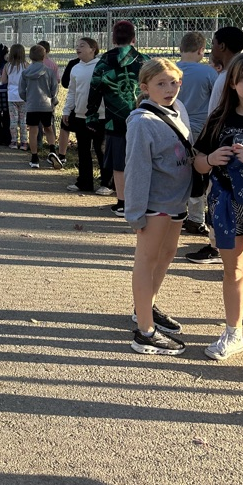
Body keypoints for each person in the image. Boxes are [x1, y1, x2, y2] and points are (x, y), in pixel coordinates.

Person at [126, 58, 193, 355]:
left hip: (177, 200)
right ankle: (144, 331)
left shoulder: (178, 110)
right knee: (147, 259)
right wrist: (136, 212)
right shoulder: (142, 121)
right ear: (145, 87)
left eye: (174, 82)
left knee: (167, 253)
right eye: (161, 84)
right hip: (155, 204)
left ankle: (146, 307)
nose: (169, 89)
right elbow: (137, 169)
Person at [193, 50, 243, 377]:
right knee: (234, 270)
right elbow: (198, 163)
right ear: (231, 82)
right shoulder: (219, 119)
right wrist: (211, 158)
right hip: (226, 204)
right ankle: (233, 333)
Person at [186, 26, 243, 265]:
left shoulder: (227, 76)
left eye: (213, 43)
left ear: (221, 46)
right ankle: (217, 245)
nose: (211, 49)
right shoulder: (226, 75)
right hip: (220, 162)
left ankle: (215, 247)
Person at [86, 20, 149, 218]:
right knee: (142, 159)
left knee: (118, 160)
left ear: (113, 39)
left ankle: (122, 203)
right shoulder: (144, 61)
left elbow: (95, 89)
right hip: (142, 116)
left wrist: (92, 114)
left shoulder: (104, 62)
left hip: (114, 118)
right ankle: (139, 202)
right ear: (134, 38)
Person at [176, 32, 218, 235]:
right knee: (198, 173)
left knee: (177, 169)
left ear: (180, 48)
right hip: (200, 128)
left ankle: (177, 212)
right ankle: (196, 217)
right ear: (201, 50)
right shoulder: (208, 73)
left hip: (174, 125)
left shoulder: (171, 70)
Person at [62, 38, 110, 194]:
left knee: (101, 150)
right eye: (76, 46)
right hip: (80, 115)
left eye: (82, 45)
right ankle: (84, 182)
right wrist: (67, 110)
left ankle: (106, 183)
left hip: (99, 116)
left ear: (93, 49)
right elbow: (72, 92)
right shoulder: (75, 68)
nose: (78, 48)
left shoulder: (102, 66)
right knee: (83, 150)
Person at [19, 44, 60, 170]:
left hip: (32, 105)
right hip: (46, 105)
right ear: (44, 56)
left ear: (30, 57)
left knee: (33, 130)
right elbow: (55, 88)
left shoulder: (26, 72)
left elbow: (21, 90)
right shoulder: (49, 71)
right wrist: (52, 99)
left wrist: (27, 98)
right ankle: (52, 150)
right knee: (48, 128)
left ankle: (34, 157)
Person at [1, 43, 27, 150]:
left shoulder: (7, 66)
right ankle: (24, 142)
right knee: (23, 120)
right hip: (24, 96)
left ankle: (14, 141)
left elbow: (3, 80)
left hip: (11, 96)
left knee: (13, 120)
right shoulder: (26, 65)